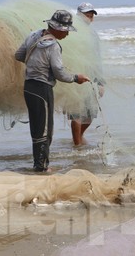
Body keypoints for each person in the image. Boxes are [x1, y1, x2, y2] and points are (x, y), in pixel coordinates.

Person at [15, 10, 90, 172]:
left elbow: (19, 55)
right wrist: (76, 78)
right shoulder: (53, 45)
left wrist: (35, 64)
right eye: (65, 31)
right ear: (57, 28)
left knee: (36, 128)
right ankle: (42, 167)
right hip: (42, 89)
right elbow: (59, 72)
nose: (67, 34)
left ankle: (39, 164)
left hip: (29, 87)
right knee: (45, 130)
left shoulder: (34, 35)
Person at [68, 2, 106, 146]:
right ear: (79, 15)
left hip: (90, 77)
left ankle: (79, 136)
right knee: (77, 113)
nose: (89, 18)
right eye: (87, 15)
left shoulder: (93, 34)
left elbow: (97, 58)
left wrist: (101, 82)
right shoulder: (71, 31)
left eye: (91, 15)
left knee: (90, 115)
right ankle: (77, 144)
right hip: (75, 78)